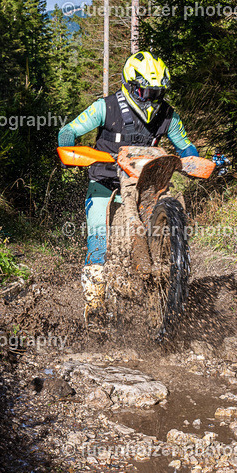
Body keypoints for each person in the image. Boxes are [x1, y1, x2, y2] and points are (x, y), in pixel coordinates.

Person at [57, 50, 199, 320]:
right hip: (105, 183)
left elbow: (185, 145)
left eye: (158, 93)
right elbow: (70, 130)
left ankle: (170, 281)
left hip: (146, 186)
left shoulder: (168, 115)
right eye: (147, 92)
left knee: (172, 212)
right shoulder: (105, 107)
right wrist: (67, 147)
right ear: (132, 86)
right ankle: (95, 305)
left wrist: (194, 159)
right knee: (98, 237)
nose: (153, 99)